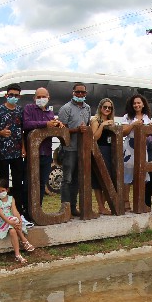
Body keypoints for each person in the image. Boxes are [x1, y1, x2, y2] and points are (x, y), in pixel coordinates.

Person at [22, 86, 64, 206]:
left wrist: (57, 124)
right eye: (38, 97)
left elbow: (51, 128)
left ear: (48, 98)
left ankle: (37, 209)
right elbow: (26, 124)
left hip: (46, 153)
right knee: (28, 183)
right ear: (34, 98)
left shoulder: (50, 113)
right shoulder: (29, 109)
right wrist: (45, 123)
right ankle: (26, 211)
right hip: (33, 153)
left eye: (43, 97)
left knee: (41, 184)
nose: (41, 99)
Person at [0, 83, 27, 217]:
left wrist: (23, 147)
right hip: (2, 153)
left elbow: (23, 131)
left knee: (18, 183)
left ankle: (19, 210)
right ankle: (3, 212)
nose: (13, 97)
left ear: (19, 96)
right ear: (6, 95)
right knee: (3, 183)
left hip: (17, 153)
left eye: (16, 95)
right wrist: (1, 133)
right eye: (11, 95)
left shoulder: (20, 110)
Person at [57, 82, 91, 216]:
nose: (80, 94)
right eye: (78, 92)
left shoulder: (87, 108)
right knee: (67, 180)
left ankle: (73, 207)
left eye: (83, 92)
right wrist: (76, 130)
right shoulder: (66, 108)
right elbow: (61, 130)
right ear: (73, 93)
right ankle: (65, 209)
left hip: (82, 149)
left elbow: (87, 126)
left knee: (77, 180)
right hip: (69, 149)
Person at [0, 180, 35, 264]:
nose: (0, 193)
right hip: (2, 222)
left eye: (2, 191)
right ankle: (24, 240)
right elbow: (1, 214)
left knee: (12, 230)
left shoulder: (11, 199)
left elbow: (14, 211)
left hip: (11, 220)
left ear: (7, 190)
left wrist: (19, 221)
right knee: (13, 222)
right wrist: (10, 222)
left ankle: (17, 255)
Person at [121, 93, 152, 205]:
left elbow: (149, 134)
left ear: (143, 104)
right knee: (127, 174)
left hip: (143, 147)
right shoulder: (127, 117)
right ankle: (125, 202)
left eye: (138, 103)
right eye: (134, 103)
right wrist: (134, 124)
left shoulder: (147, 118)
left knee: (142, 173)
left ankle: (140, 202)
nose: (136, 105)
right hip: (129, 147)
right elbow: (124, 132)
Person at [89, 97, 118, 214]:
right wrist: (102, 125)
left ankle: (103, 205)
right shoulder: (95, 120)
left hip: (110, 151)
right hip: (99, 150)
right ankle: (101, 206)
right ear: (100, 108)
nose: (107, 109)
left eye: (109, 108)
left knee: (110, 179)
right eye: (105, 107)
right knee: (98, 180)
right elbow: (94, 137)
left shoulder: (112, 120)